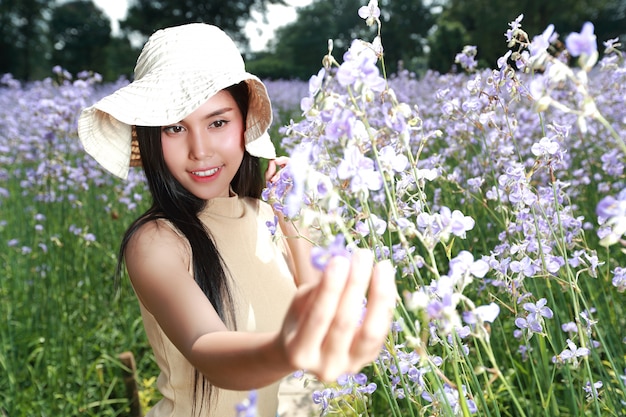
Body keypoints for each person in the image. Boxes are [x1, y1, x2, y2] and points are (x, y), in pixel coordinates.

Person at [77, 23, 397, 417]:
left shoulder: (269, 217)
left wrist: (291, 211)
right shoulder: (157, 241)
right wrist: (286, 348)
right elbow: (208, 350)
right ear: (148, 138)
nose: (200, 150)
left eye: (217, 122)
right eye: (174, 128)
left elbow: (316, 325)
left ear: (244, 123)